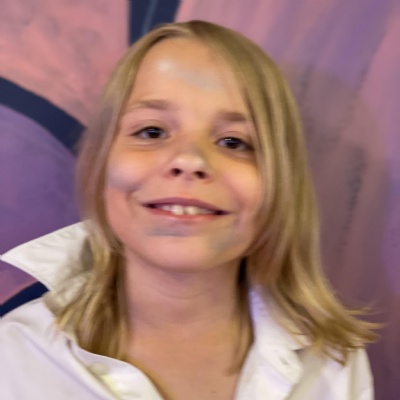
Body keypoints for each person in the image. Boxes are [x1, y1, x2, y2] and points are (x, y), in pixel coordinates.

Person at [0, 20, 376, 400]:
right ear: (100, 165)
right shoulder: (12, 359)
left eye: (233, 142)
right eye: (152, 132)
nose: (189, 159)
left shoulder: (331, 364)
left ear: (280, 184)